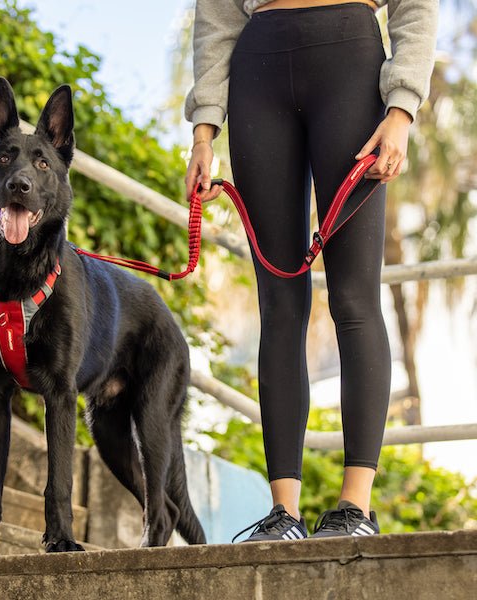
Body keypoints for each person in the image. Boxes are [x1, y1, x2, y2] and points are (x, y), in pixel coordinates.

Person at [185, 0, 438, 540]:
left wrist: (401, 110)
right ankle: (284, 513)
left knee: (354, 299)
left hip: (350, 62)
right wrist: (204, 132)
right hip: (257, 73)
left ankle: (355, 508)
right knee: (278, 305)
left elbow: (417, 6)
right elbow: (216, 15)